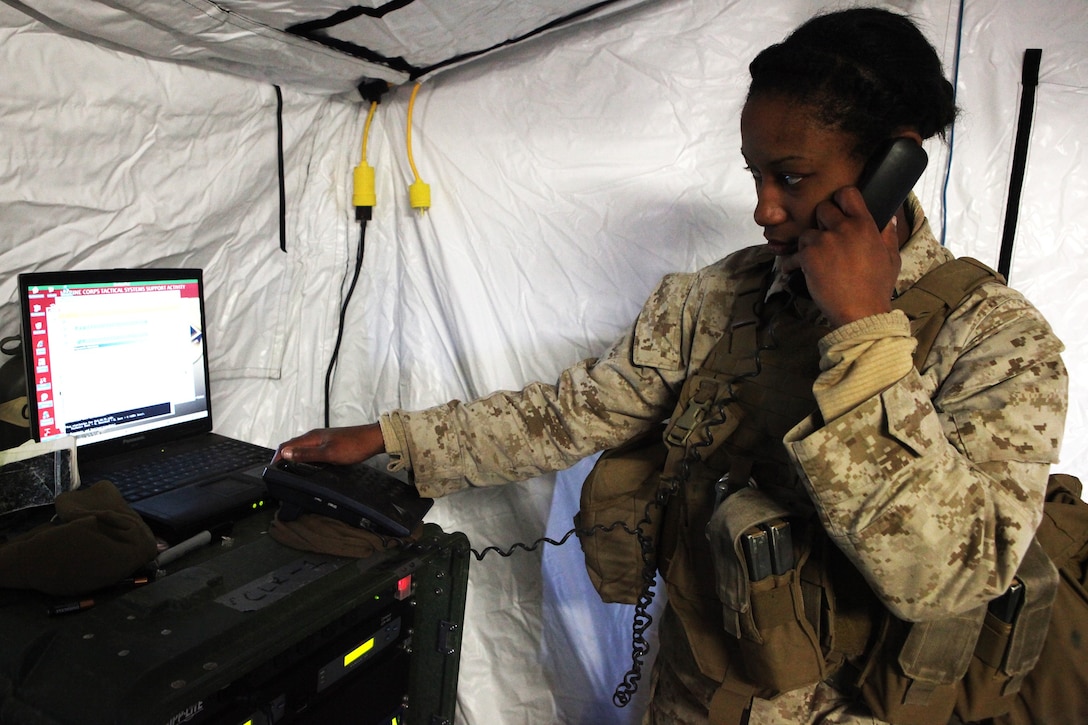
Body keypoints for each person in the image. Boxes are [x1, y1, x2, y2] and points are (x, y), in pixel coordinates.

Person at [276, 7, 1068, 724]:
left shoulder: (996, 342)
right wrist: (391, 437)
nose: (763, 206)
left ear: (894, 166)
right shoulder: (723, 295)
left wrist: (863, 332)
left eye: (790, 177)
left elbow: (946, 579)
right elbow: (576, 411)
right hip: (693, 696)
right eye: (754, 172)